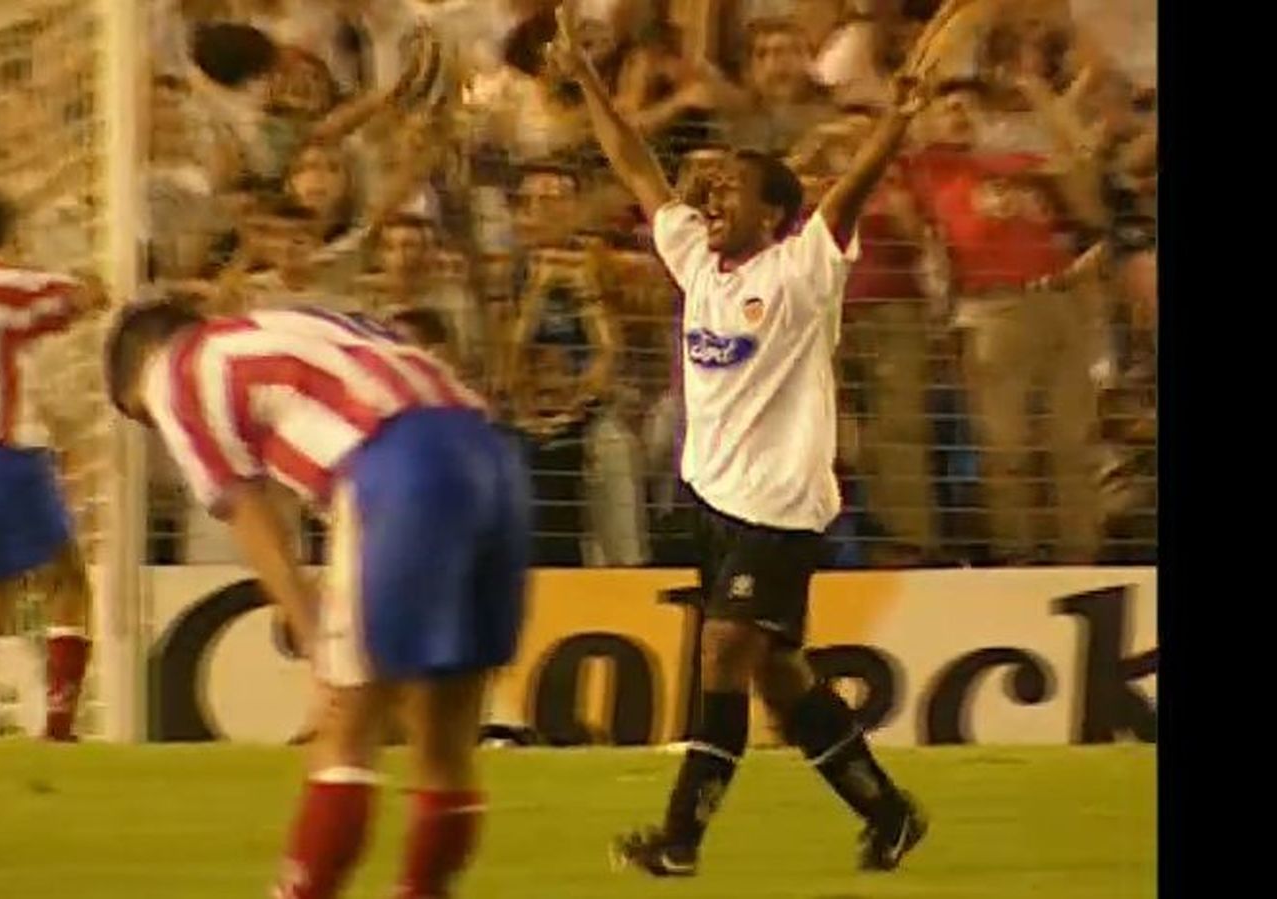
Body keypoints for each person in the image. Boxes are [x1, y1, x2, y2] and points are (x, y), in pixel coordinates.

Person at [549, 0, 982, 876]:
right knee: (783, 680)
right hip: (714, 500)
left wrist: (898, 116)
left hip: (780, 506)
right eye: (708, 189)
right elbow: (635, 164)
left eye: (730, 190)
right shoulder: (699, 265)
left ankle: (681, 838)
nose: (710, 197)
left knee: (721, 652)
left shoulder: (804, 268)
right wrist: (588, 80)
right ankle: (890, 815)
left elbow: (849, 190)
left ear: (776, 213)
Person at [103, 301, 529, 899]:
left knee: (345, 724)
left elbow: (245, 508)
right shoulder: (293, 324)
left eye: (144, 420)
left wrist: (307, 622)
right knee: (446, 738)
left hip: (394, 463)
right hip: (493, 456)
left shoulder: (172, 370)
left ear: (135, 375)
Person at [0, 190, 108, 742]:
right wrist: (98, 274)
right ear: (9, 234)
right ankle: (58, 727)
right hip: (7, 453)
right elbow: (81, 296)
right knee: (69, 582)